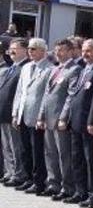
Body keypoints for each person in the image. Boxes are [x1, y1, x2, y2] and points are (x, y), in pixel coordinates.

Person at [59, 39, 93, 206]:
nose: (85, 54)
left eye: (90, 50)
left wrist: (92, 121)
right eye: (84, 50)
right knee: (77, 158)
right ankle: (80, 191)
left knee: (90, 160)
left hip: (88, 124)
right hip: (75, 121)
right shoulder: (84, 69)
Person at [37, 39, 81, 200]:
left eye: (61, 50)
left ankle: (67, 186)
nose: (58, 53)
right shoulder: (55, 69)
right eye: (56, 50)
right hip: (48, 117)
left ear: (70, 51)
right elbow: (46, 95)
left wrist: (63, 117)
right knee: (50, 153)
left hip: (60, 120)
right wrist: (41, 116)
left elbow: (71, 96)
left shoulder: (74, 69)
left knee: (64, 155)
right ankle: (53, 183)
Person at [12, 38, 54, 195]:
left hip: (36, 116)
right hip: (23, 113)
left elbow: (45, 95)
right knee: (25, 149)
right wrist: (15, 113)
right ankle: (27, 178)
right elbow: (20, 92)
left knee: (37, 151)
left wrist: (41, 116)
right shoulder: (26, 67)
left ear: (43, 51)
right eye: (29, 48)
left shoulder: (49, 68)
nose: (30, 51)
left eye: (34, 48)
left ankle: (38, 182)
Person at [0, 38, 29, 187]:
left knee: (16, 146)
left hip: (13, 113)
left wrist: (15, 113)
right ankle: (9, 172)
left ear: (24, 50)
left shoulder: (25, 67)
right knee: (6, 146)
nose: (11, 51)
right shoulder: (12, 67)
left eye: (15, 48)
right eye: (10, 48)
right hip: (3, 112)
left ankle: (18, 174)